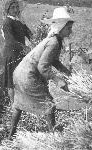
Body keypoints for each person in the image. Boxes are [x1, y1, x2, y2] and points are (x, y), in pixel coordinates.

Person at [8, 7, 73, 138]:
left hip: (19, 73)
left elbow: (52, 60)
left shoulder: (54, 40)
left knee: (18, 104)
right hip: (28, 76)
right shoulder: (54, 42)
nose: (71, 31)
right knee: (49, 104)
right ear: (61, 27)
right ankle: (54, 137)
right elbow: (42, 67)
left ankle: (11, 135)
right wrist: (57, 80)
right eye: (68, 28)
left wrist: (66, 72)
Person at [0, 0, 33, 105]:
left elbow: (29, 34)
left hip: (20, 53)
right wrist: (25, 48)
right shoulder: (7, 22)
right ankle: (13, 104)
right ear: (8, 9)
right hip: (12, 54)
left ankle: (21, 102)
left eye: (16, 7)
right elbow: (10, 41)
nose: (15, 10)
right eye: (12, 7)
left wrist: (38, 38)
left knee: (19, 78)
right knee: (11, 81)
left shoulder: (18, 22)